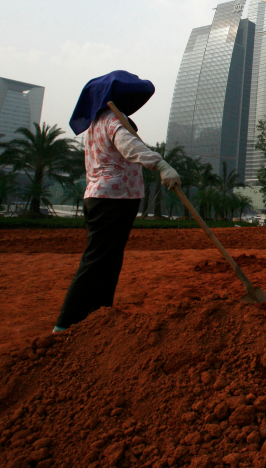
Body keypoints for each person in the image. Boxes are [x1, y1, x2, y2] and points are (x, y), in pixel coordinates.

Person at [54, 71, 181, 332]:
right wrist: (160, 163)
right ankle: (64, 325)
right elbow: (129, 147)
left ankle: (99, 317)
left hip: (106, 198)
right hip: (112, 198)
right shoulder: (111, 121)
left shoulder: (97, 123)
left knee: (109, 260)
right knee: (97, 260)